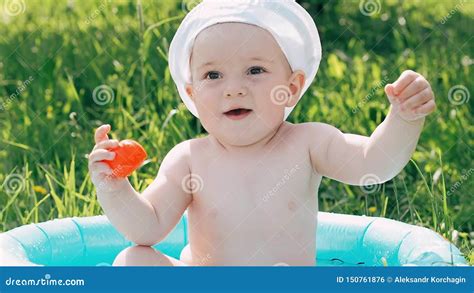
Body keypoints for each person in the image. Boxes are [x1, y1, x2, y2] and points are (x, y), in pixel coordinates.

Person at [88, 0, 436, 266]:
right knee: (134, 259)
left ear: (293, 86)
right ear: (192, 94)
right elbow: (146, 228)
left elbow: (372, 163)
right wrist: (114, 187)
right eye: (213, 76)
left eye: (255, 70)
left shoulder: (308, 143)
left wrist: (403, 119)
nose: (234, 89)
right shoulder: (189, 159)